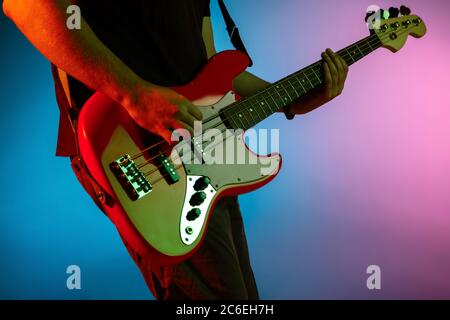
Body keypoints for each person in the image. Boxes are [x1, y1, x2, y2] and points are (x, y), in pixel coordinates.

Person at [3, 0, 348, 299]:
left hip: (204, 153)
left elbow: (210, 71)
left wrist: (290, 100)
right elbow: (26, 5)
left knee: (240, 296)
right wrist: (131, 94)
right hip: (135, 147)